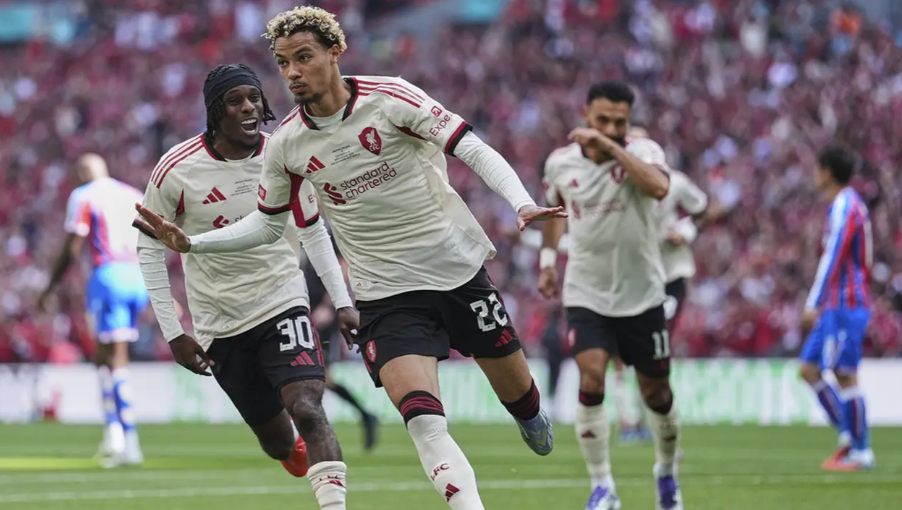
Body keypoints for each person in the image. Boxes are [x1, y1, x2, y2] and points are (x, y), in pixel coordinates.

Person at [135, 7, 565, 510]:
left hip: (456, 270)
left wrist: (521, 202)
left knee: (522, 400)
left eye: (303, 58)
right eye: (283, 63)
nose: (292, 72)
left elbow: (470, 148)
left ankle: (530, 413)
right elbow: (270, 224)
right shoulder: (288, 146)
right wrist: (194, 245)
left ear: (334, 52)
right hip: (383, 294)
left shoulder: (390, 97)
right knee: (423, 420)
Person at [134, 64, 353, 509]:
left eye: (254, 97)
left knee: (308, 409)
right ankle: (289, 450)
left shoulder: (285, 153)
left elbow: (313, 231)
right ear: (216, 111)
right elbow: (149, 249)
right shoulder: (176, 169)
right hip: (220, 322)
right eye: (235, 100)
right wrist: (174, 333)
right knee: (276, 442)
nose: (249, 107)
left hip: (282, 300)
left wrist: (342, 300)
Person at [538, 81, 683, 510]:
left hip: (642, 295)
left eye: (620, 122)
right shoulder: (560, 163)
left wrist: (613, 146)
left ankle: (666, 474)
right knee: (592, 376)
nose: (611, 127)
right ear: (586, 114)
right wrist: (548, 260)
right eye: (602, 120)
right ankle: (603, 486)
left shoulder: (646, 153)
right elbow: (554, 208)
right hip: (586, 292)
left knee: (657, 393)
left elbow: (658, 188)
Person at [38, 153, 149, 468]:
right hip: (136, 276)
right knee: (104, 358)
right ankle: (114, 434)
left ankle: (128, 441)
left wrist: (50, 287)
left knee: (114, 360)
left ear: (83, 172)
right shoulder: (132, 194)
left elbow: (74, 243)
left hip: (109, 276)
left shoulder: (84, 195)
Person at [798, 144, 874, 471]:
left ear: (827, 171)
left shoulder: (845, 205)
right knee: (809, 369)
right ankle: (847, 436)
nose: (814, 174)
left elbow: (835, 255)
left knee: (845, 375)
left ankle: (861, 451)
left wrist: (813, 300)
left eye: (817, 168)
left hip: (845, 302)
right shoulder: (844, 205)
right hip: (836, 303)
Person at [303, 255, 380, 450]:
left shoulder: (325, 232)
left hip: (321, 321)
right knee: (320, 379)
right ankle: (365, 415)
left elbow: (343, 266)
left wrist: (329, 306)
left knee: (320, 377)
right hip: (306, 315)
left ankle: (316, 432)